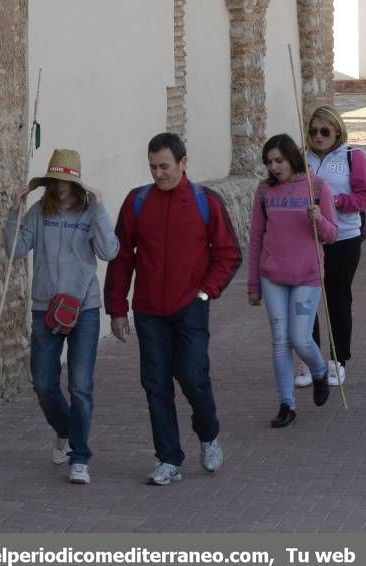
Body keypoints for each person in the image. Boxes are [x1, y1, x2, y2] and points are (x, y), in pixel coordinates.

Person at [105, 133, 242, 486]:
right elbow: (122, 259)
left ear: (183, 162)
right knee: (155, 385)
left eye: (164, 166)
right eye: (152, 167)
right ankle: (168, 459)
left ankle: (209, 436)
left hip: (190, 308)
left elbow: (228, 254)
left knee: (193, 377)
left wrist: (205, 293)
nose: (158, 173)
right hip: (149, 311)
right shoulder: (136, 202)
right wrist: (117, 309)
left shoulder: (205, 202)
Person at [5, 149, 119, 485]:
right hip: (45, 306)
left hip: (83, 308)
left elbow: (109, 251)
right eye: (56, 179)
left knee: (81, 386)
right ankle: (66, 430)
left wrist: (99, 209)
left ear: (77, 182)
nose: (60, 186)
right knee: (42, 383)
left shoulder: (89, 212)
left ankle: (80, 458)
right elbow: (14, 250)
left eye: (67, 180)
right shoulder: (40, 211)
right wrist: (15, 210)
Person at [248, 134, 339, 428]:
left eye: (279, 160)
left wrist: (319, 219)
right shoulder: (264, 192)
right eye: (269, 162)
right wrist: (253, 284)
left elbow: (332, 234)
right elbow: (256, 239)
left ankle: (319, 370)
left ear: (292, 158)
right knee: (280, 341)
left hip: (307, 276)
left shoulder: (317, 188)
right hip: (273, 275)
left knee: (300, 338)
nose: (274, 167)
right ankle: (286, 403)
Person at [294, 105, 366, 388]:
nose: (318, 136)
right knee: (305, 300)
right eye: (313, 131)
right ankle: (309, 357)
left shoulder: (354, 157)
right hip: (306, 239)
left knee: (337, 299)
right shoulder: (300, 158)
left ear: (337, 131)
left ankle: (338, 360)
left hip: (343, 238)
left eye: (324, 131)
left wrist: (335, 201)